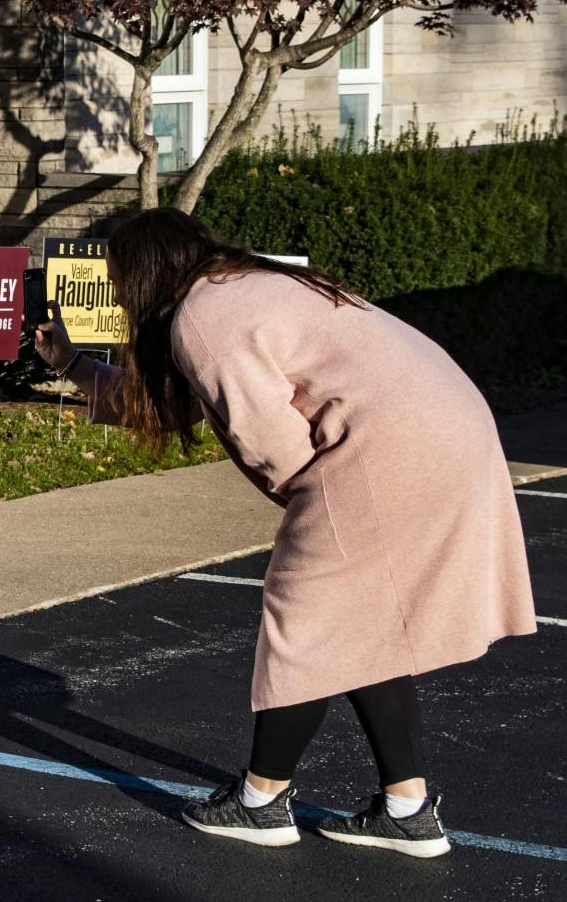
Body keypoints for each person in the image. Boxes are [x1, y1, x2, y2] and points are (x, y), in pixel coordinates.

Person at [35, 208, 535, 856]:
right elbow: (177, 402)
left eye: (119, 277)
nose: (119, 292)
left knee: (304, 611)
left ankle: (261, 800)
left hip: (388, 447)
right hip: (450, 425)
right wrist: (74, 365)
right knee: (359, 620)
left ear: (144, 272)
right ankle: (407, 808)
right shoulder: (241, 287)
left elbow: (273, 445)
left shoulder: (202, 315)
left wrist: (310, 510)